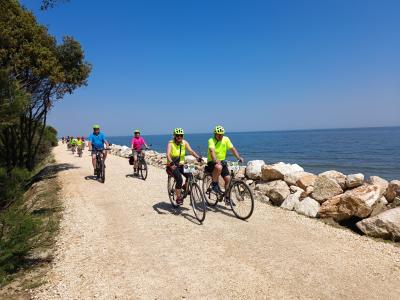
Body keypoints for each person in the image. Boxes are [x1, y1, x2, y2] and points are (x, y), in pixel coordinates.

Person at [206, 125, 244, 204]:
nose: (220, 136)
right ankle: (214, 184)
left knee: (228, 179)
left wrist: (238, 157)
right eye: (218, 134)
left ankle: (227, 198)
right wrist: (216, 160)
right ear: (215, 134)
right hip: (212, 162)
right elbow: (212, 151)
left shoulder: (226, 139)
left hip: (222, 162)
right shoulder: (211, 140)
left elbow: (232, 149)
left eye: (222, 134)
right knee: (218, 167)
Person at [166, 128, 202, 205]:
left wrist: (198, 157)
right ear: (174, 136)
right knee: (179, 179)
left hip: (181, 165)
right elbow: (168, 154)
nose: (179, 137)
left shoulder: (184, 142)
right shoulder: (171, 143)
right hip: (172, 165)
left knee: (192, 173)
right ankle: (178, 197)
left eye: (181, 135)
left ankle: (185, 187)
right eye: (177, 135)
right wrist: (171, 163)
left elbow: (191, 151)